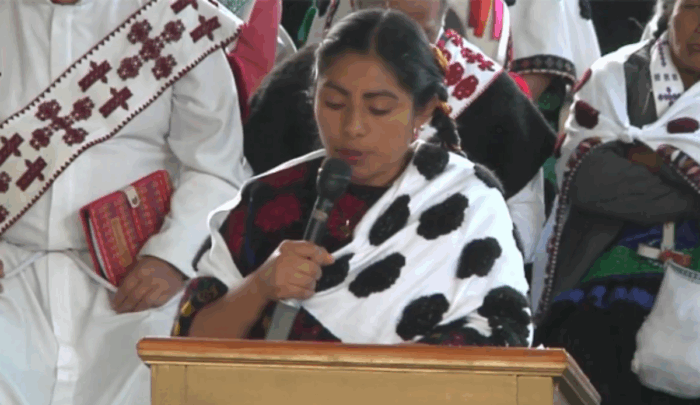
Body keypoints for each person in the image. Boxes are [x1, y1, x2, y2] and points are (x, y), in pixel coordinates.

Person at [172, 9, 532, 347]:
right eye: (334, 103)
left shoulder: (469, 204)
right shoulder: (266, 199)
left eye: (379, 109)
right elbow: (186, 350)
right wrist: (260, 286)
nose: (353, 127)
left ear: (422, 111)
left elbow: (504, 343)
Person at [0, 1, 251, 404]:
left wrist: (172, 256)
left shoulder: (171, 15)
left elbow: (217, 167)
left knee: (161, 379)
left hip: (140, 272)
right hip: (11, 270)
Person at [245, 1, 556, 266]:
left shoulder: (492, 96)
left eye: (420, 31)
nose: (354, 126)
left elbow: (524, 221)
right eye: (336, 104)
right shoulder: (297, 83)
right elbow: (247, 195)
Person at [532, 0, 700, 402]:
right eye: (693, 7)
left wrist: (645, 157)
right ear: (670, 10)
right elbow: (589, 181)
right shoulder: (612, 76)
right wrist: (688, 192)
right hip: (601, 284)